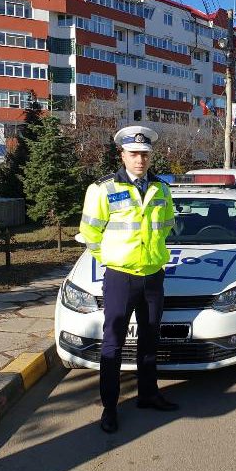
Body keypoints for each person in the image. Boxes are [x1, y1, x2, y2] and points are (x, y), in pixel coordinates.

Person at [79, 125, 178, 434]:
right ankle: (110, 407)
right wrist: (110, 259)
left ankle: (148, 394)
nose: (140, 159)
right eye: (134, 153)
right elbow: (90, 234)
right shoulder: (102, 189)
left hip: (152, 277)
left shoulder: (160, 188)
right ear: (121, 154)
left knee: (150, 339)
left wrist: (152, 255)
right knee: (113, 343)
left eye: (145, 154)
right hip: (121, 277)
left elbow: (167, 226)